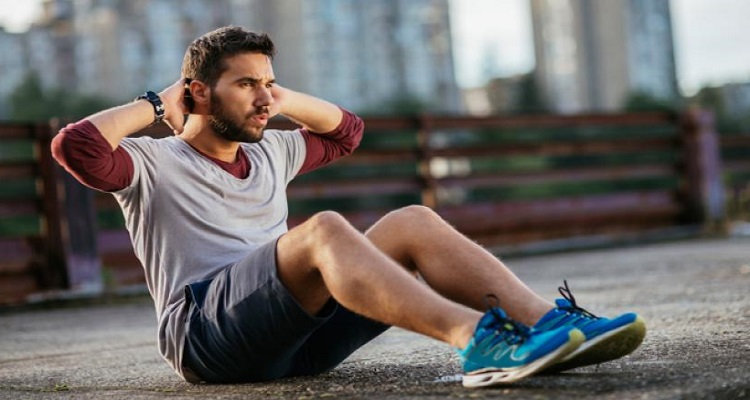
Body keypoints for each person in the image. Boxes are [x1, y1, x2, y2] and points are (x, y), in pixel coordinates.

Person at [51, 26, 645, 388]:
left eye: (269, 84)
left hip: (294, 344)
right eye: (247, 85)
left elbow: (346, 132)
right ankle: (480, 343)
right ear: (198, 92)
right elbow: (75, 147)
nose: (265, 100)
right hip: (206, 338)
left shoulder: (272, 151)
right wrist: (162, 103)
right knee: (325, 229)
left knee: (410, 221)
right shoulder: (153, 165)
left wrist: (277, 96)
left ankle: (553, 328)